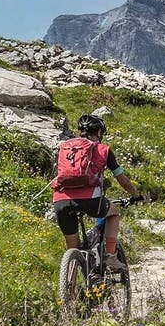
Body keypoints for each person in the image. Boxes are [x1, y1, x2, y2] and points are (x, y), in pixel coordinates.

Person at [52, 114, 141, 271]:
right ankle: (111, 257)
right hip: (91, 200)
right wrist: (136, 195)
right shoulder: (103, 150)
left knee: (73, 249)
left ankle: (70, 288)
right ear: (99, 132)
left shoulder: (65, 147)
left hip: (60, 201)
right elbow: (122, 180)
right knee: (114, 213)